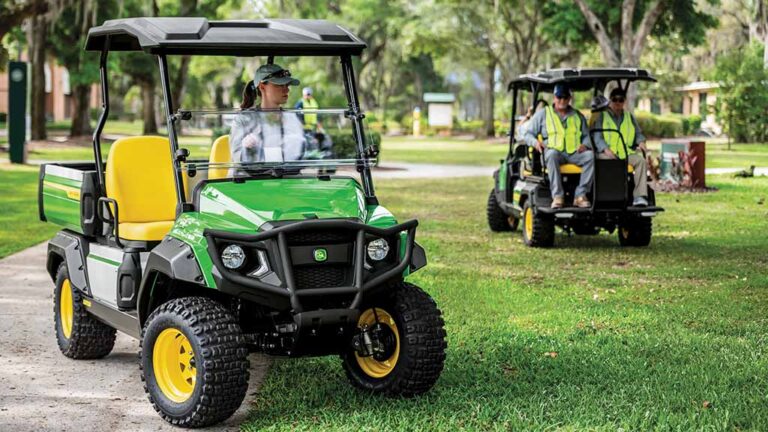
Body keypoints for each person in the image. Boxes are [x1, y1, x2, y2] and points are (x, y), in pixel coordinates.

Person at [523, 84, 594, 209]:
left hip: (574, 153)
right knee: (551, 154)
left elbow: (587, 136)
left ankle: (580, 195)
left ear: (569, 98)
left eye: (565, 97)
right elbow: (528, 134)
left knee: (590, 156)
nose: (562, 100)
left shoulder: (578, 115)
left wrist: (585, 145)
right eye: (559, 97)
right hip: (554, 153)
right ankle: (557, 196)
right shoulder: (543, 114)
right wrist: (535, 143)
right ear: (554, 98)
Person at [229, 64, 305, 169]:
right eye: (279, 85)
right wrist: (248, 148)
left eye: (287, 85)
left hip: (287, 179)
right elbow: (237, 159)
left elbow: (302, 156)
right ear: (262, 87)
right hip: (251, 181)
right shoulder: (243, 119)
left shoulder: (292, 119)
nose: (286, 90)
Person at [591, 88, 650, 207]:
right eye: (615, 99)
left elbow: (638, 133)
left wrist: (641, 142)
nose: (618, 102)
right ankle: (606, 195)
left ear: (624, 101)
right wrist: (606, 149)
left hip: (624, 153)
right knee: (606, 162)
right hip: (605, 153)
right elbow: (597, 136)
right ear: (610, 101)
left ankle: (639, 197)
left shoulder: (629, 117)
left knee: (641, 161)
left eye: (621, 100)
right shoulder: (602, 116)